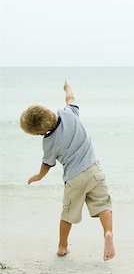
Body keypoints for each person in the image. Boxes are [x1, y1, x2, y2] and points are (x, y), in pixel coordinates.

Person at [20, 81, 115, 261]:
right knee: (103, 205)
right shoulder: (68, 112)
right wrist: (67, 88)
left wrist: (39, 176)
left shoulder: (48, 143)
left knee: (68, 214)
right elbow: (70, 98)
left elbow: (46, 165)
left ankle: (62, 246)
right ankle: (108, 233)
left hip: (74, 178)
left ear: (40, 133)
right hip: (95, 169)